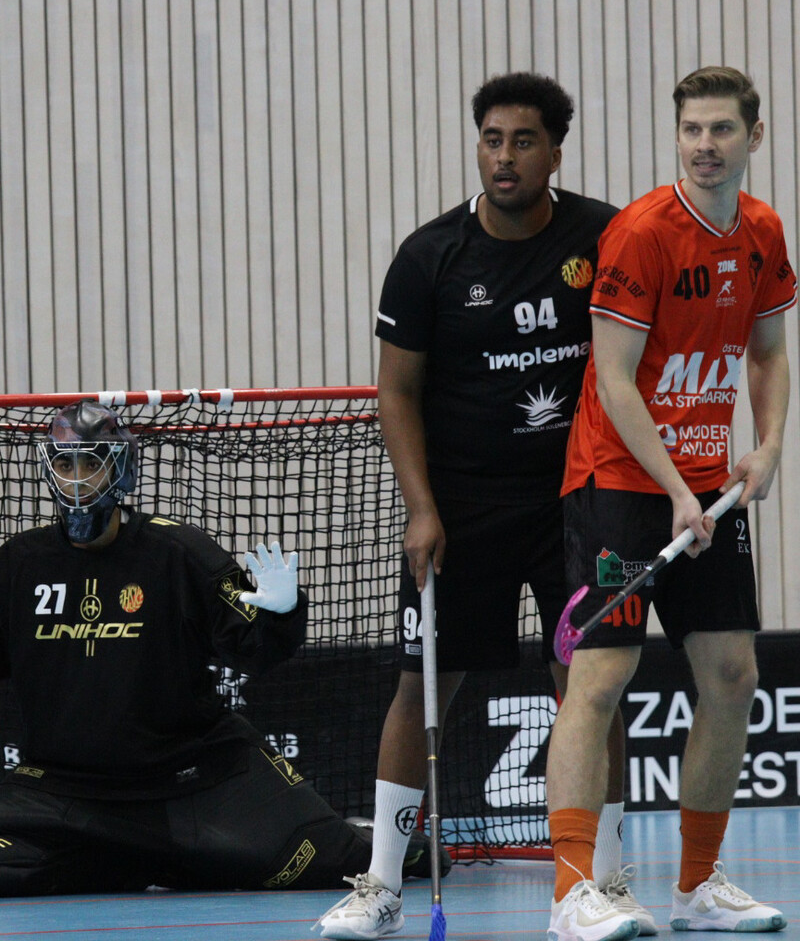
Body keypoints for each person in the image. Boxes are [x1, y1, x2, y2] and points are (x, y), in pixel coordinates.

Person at [316, 72, 652, 940]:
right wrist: (420, 508)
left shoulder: (604, 237)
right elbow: (397, 393)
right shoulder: (429, 257)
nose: (505, 157)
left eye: (523, 141)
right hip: (462, 510)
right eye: (492, 140)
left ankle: (604, 880)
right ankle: (382, 885)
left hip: (579, 504)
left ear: (555, 154)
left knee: (591, 686)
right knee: (421, 686)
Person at [0, 399, 445, 896]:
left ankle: (369, 839)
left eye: (92, 463)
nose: (78, 480)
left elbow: (254, 650)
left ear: (119, 470)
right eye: (65, 465)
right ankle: (144, 858)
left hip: (193, 780)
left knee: (316, 861)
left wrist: (282, 612)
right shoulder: (19, 563)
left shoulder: (178, 552)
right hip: (62, 790)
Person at [546, 65, 796, 941]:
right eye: (692, 129)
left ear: (752, 137)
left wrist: (767, 447)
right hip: (619, 482)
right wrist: (678, 491)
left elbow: (769, 353)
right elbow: (614, 380)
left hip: (707, 491)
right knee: (601, 677)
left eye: (722, 129)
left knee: (732, 676)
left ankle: (697, 885)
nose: (704, 145)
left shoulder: (762, 232)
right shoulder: (642, 234)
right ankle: (572, 893)